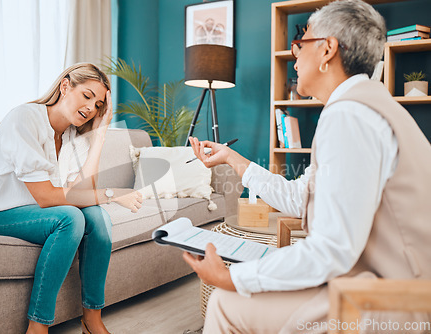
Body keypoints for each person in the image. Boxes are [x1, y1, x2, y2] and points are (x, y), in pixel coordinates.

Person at [184, 0, 431, 332]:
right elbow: (300, 197)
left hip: (401, 301)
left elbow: (332, 249)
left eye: (300, 44)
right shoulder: (365, 106)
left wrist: (233, 277)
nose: (295, 57)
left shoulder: (349, 116)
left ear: (327, 49)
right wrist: (231, 157)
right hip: (397, 285)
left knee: (227, 303)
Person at [0, 63, 143, 334]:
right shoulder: (24, 118)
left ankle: (92, 320)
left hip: (34, 213)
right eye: (87, 96)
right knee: (70, 218)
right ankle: (37, 328)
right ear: (65, 86)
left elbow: (85, 193)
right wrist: (113, 194)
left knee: (98, 217)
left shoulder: (72, 134)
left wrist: (101, 133)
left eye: (98, 105)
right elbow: (48, 197)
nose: (91, 108)